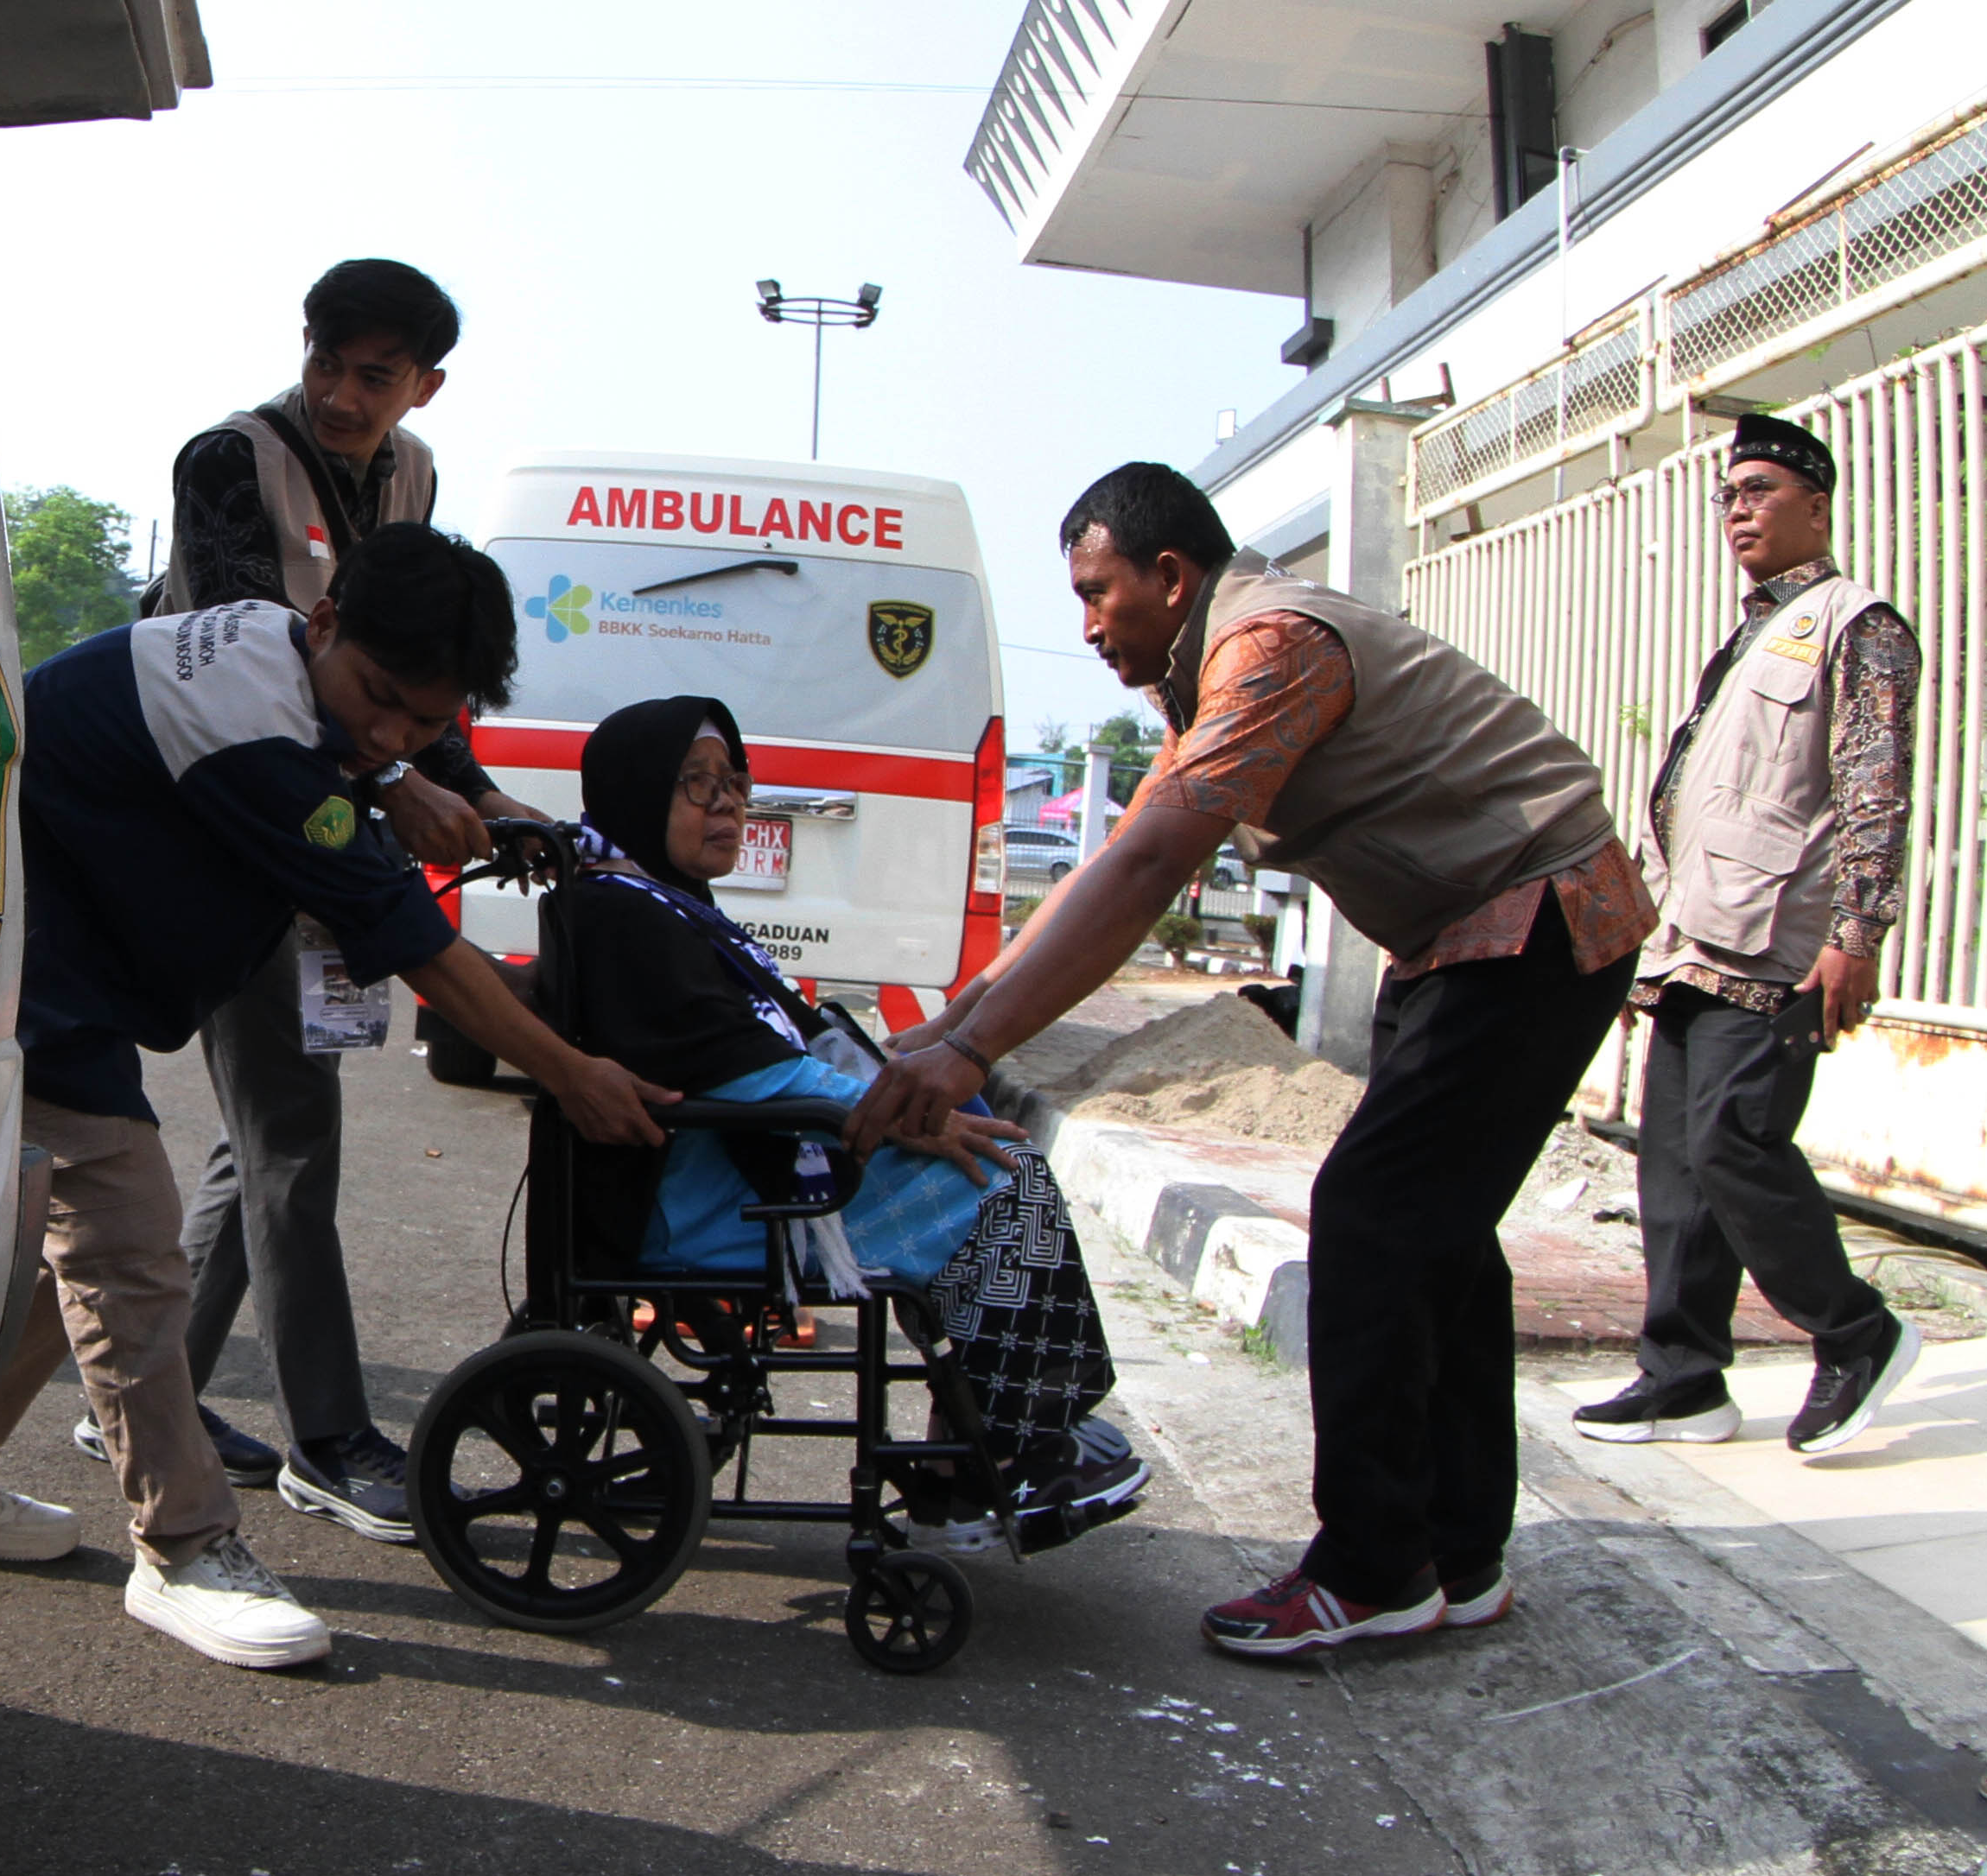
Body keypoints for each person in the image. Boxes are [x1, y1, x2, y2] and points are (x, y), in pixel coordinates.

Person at [847, 464, 1652, 1660]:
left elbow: (1144, 870)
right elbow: (1109, 858)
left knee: (1376, 1221)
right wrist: (957, 1020)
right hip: (1473, 936)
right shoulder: (1214, 666)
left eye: (1096, 592)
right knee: (1435, 1239)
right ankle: (1458, 1555)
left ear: (1169, 577)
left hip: (1530, 923)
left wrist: (971, 1048)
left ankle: (1374, 1567)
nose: (1086, 626)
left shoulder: (1270, 645)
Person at [0, 529, 672, 1670]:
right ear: (322, 623)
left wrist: (411, 769)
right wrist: (570, 1073)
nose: (390, 735)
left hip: (51, 936)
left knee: (65, 1252)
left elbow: (375, 742)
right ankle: (185, 1547)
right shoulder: (251, 733)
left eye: (425, 722)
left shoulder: (313, 672)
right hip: (8, 941)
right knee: (132, 1248)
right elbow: (418, 946)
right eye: (380, 701)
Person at [99, 257, 541, 1543]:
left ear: (425, 386)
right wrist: (402, 781)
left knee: (260, 1140)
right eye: (327, 364)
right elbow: (259, 664)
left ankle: (139, 1393)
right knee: (291, 1143)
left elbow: (407, 672)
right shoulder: (226, 463)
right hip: (218, 814)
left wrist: (487, 795)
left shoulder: (413, 480)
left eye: (376, 376)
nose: (343, 396)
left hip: (324, 818)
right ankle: (330, 1439)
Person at [554, 697, 1145, 1543]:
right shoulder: (624, 914)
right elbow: (749, 1073)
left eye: (734, 783)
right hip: (699, 1196)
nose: (726, 804)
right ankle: (1013, 1445)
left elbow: (765, 1047)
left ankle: (981, 1435)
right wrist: (897, 1117)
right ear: (637, 791)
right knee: (996, 1178)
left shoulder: (661, 899)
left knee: (976, 1133)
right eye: (695, 785)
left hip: (728, 1164)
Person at [1573, 411, 1920, 1456]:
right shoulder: (1754, 632)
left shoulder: (1858, 624)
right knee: (1672, 1163)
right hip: (1695, 936)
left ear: (1816, 503)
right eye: (1729, 494)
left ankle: (1854, 1332)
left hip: (1777, 946)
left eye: (1761, 489)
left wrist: (1856, 932)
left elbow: (1873, 790)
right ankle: (1681, 1377)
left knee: (1733, 1142)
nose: (1738, 509)